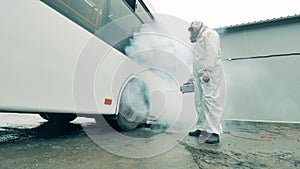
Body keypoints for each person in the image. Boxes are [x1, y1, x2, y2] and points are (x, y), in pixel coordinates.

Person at [187, 20, 224, 144]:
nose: (191, 33)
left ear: (198, 28)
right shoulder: (199, 40)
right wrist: (192, 77)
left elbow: (212, 54)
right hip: (200, 75)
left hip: (210, 74)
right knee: (200, 102)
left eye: (193, 30)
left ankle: (214, 132)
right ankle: (201, 128)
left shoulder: (210, 34)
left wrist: (207, 70)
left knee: (210, 101)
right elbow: (197, 61)